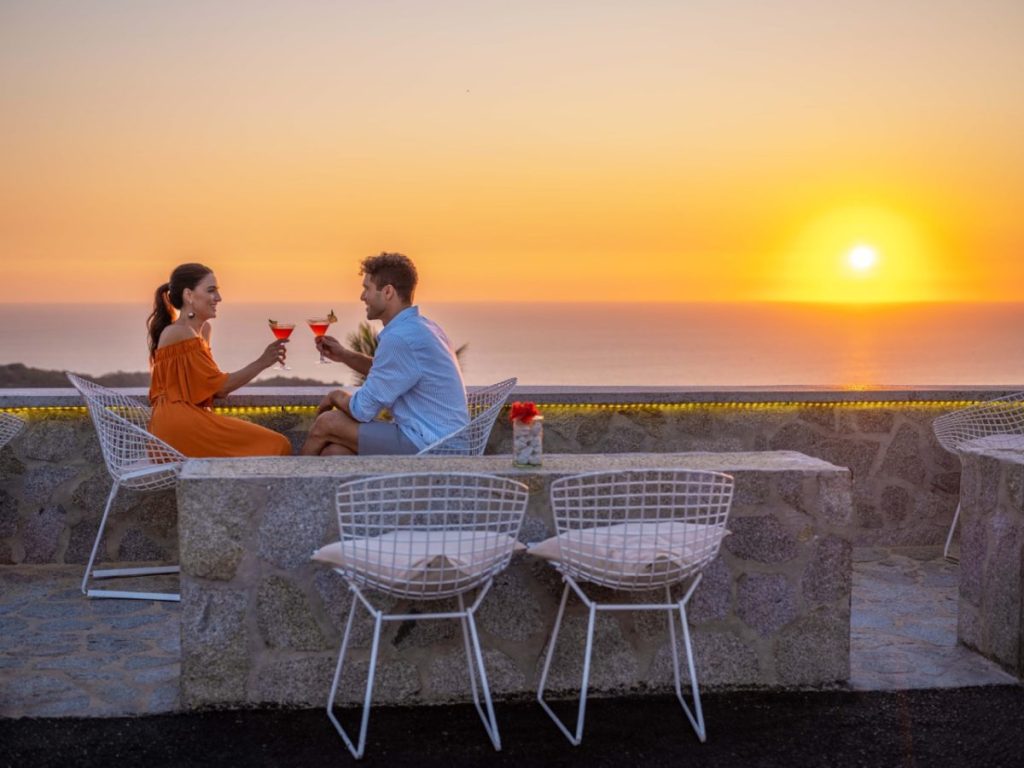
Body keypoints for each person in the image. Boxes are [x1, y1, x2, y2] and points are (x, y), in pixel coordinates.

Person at [300, 252, 468, 456]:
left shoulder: (399, 338)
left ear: (388, 292)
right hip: (442, 440)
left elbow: (362, 409)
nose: (362, 297)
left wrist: (335, 396)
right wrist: (343, 355)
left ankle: (288, 476)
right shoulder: (422, 327)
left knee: (327, 422)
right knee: (335, 453)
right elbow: (388, 371)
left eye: (367, 289)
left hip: (433, 446)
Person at [146, 263, 293, 457]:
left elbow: (206, 384)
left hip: (190, 418)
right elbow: (220, 388)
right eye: (211, 290)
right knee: (277, 444)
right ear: (189, 295)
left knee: (273, 444)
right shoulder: (180, 332)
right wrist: (263, 362)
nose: (219, 298)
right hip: (176, 425)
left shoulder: (202, 331)